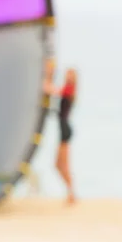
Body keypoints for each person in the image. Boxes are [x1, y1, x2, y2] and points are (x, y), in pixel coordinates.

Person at [43, 67, 77, 204]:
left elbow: (52, 89)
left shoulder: (69, 89)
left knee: (62, 165)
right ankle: (70, 192)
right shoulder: (68, 89)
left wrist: (47, 78)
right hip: (63, 129)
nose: (67, 77)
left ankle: (71, 192)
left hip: (65, 130)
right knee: (58, 164)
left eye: (69, 75)